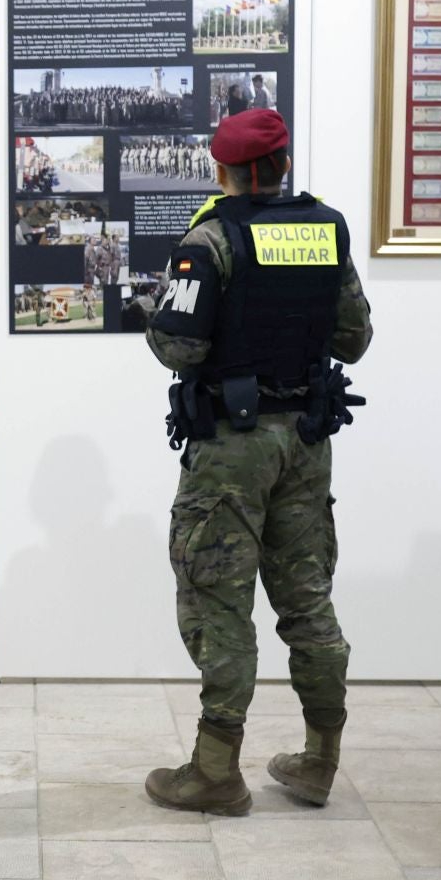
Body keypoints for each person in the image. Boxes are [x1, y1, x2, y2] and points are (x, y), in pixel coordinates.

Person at [142, 108, 373, 817]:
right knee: (307, 598)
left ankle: (215, 771)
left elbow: (176, 347)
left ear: (222, 169)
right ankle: (319, 761)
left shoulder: (210, 239)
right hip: (306, 440)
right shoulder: (325, 228)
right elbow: (353, 338)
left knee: (219, 598)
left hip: (231, 451)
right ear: (284, 163)